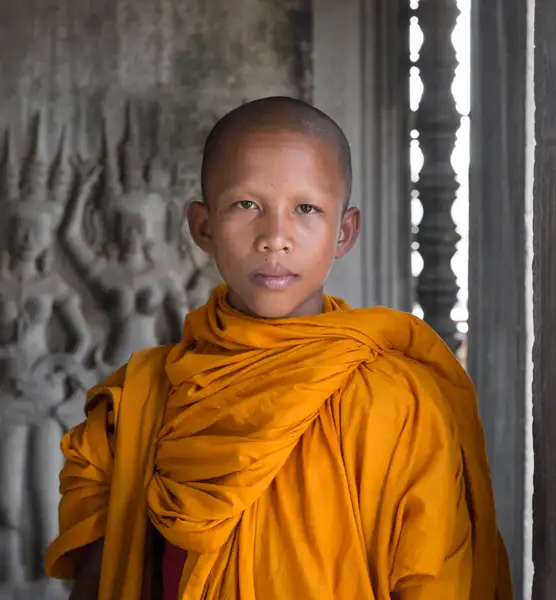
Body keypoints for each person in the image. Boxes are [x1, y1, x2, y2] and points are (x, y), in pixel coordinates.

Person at [43, 96, 513, 600]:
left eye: (306, 208)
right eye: (246, 205)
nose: (274, 237)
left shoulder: (396, 403)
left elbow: (433, 582)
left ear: (344, 232)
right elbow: (98, 582)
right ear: (202, 226)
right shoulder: (136, 403)